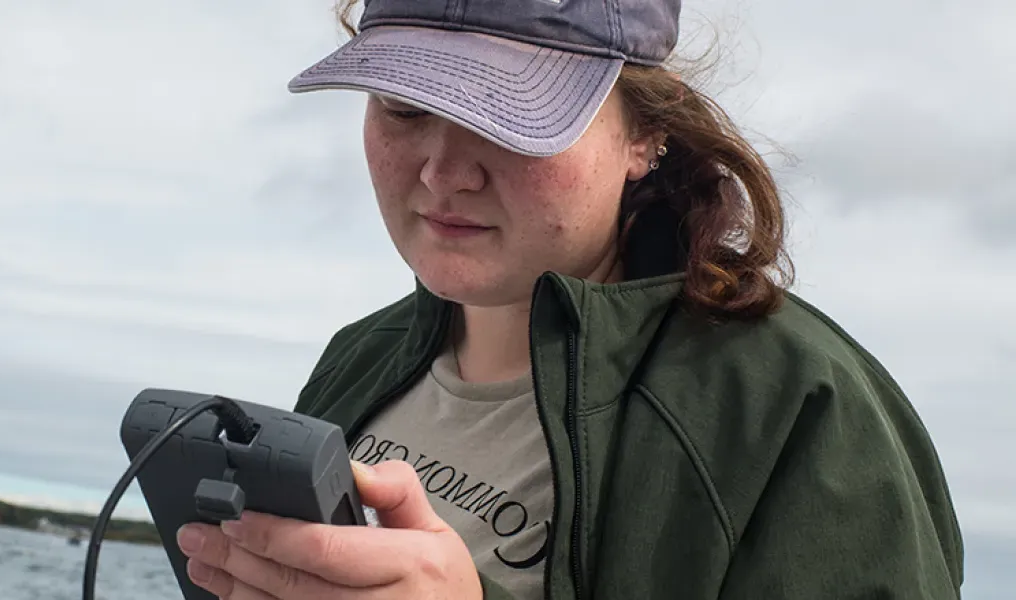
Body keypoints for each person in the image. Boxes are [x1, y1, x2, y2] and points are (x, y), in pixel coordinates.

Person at [174, 0, 965, 598]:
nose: (445, 171)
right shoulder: (363, 357)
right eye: (406, 108)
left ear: (645, 136)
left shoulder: (795, 405)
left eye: (511, 118)